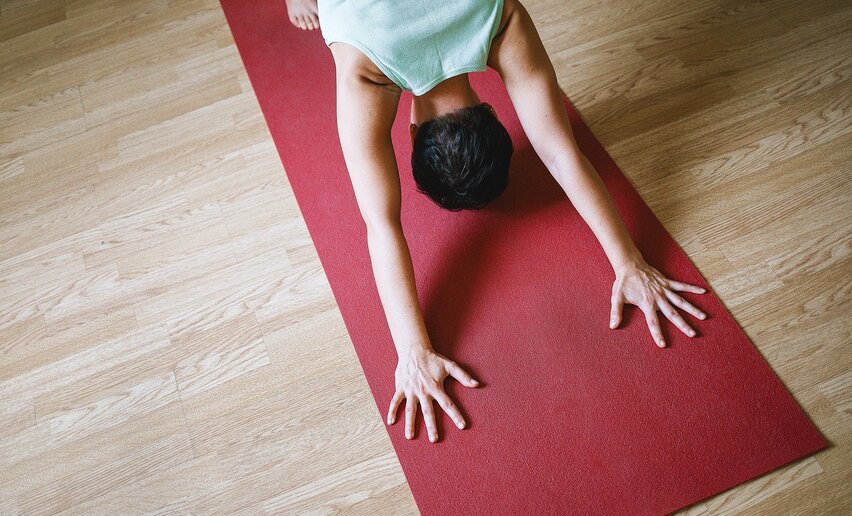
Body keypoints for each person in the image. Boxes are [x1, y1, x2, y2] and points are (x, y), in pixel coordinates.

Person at [284, 0, 709, 443]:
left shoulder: (501, 19)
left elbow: (560, 154)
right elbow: (380, 223)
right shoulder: (365, 71)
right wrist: (411, 350)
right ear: (411, 134)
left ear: (489, 112)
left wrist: (631, 263)